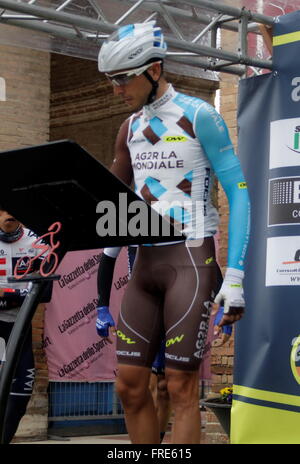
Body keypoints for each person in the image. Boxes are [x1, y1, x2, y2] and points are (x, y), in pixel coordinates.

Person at [97, 21, 250, 444]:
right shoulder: (128, 129)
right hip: (145, 262)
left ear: (155, 69)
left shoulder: (200, 115)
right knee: (129, 385)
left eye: (123, 78)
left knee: (181, 388)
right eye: (111, 80)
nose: (116, 89)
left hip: (190, 257)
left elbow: (239, 195)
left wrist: (234, 277)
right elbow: (110, 196)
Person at [96, 246, 171, 443]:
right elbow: (107, 257)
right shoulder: (127, 217)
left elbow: (206, 257)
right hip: (142, 307)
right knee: (139, 386)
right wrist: (102, 307)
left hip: (175, 306)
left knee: (165, 387)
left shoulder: (181, 217)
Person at [0, 208, 52, 444]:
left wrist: (6, 295)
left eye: (12, 208)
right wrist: (21, 293)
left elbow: (46, 291)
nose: (8, 214)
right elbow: (32, 292)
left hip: (20, 327)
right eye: (2, 210)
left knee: (20, 395)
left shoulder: (36, 240)